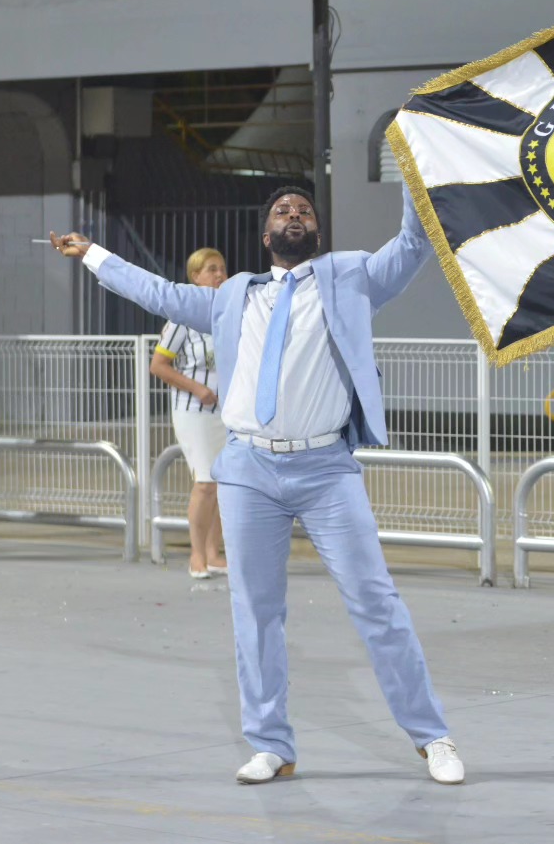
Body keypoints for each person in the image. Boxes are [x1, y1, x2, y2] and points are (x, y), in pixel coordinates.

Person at [49, 186, 464, 786]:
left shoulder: (351, 278)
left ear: (317, 232)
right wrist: (92, 254)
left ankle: (433, 737)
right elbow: (156, 292)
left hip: (325, 469)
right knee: (255, 612)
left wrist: (411, 171)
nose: (294, 216)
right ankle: (271, 744)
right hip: (248, 470)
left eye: (305, 211)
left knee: (377, 604)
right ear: (267, 236)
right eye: (282, 212)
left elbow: (411, 244)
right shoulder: (233, 295)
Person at [152, 247, 229, 579]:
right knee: (205, 482)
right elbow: (158, 366)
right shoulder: (182, 319)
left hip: (225, 412)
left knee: (224, 485)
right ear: (195, 276)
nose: (219, 275)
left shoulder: (227, 316)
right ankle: (197, 554)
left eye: (222, 269)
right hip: (194, 411)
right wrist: (197, 389)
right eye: (211, 269)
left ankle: (215, 554)